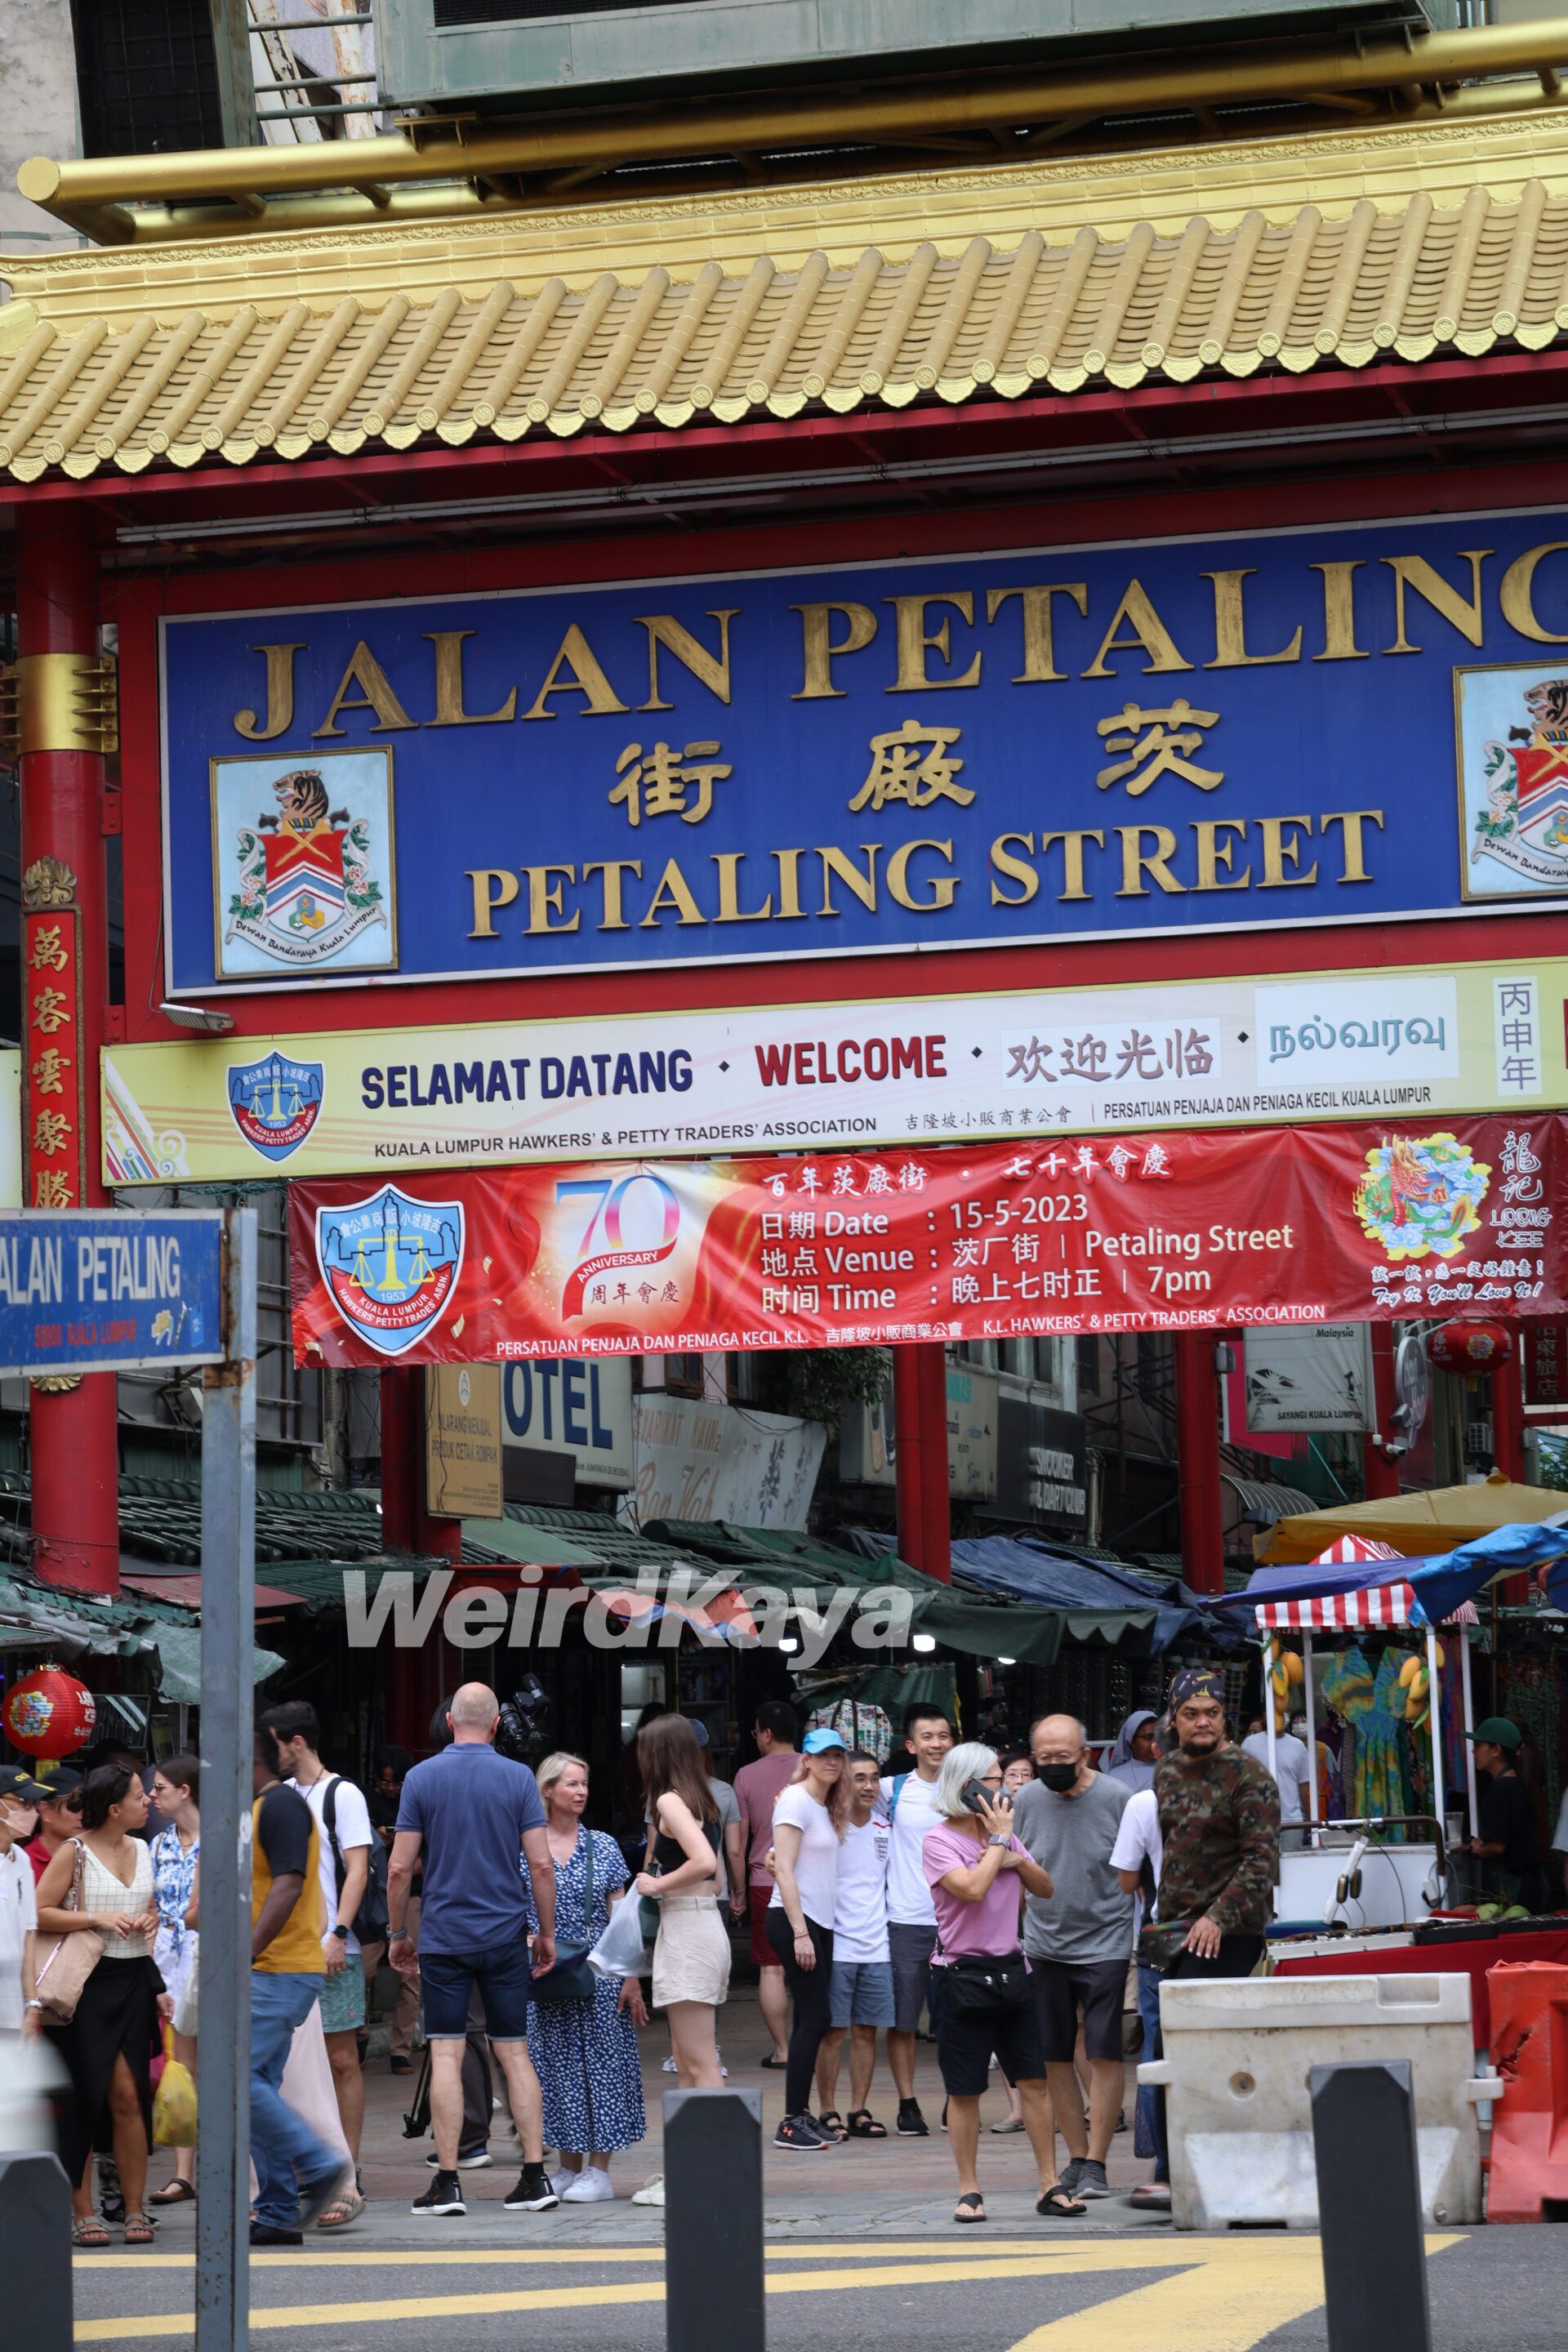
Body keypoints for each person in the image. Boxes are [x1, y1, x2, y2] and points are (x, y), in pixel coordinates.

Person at [389, 1682, 559, 2219]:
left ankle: (448, 2181)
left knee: (446, 2052)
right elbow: (541, 1865)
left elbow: (398, 1868)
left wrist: (397, 1934)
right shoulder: (517, 1779)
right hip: (506, 1936)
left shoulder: (421, 1778)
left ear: (448, 1720)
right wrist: (546, 1932)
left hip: (443, 1937)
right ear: (494, 1725)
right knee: (514, 2052)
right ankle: (535, 2177)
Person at [921, 1742, 1082, 2225]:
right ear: (968, 1786)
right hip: (959, 1977)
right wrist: (998, 1847)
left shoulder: (1004, 1835)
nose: (1005, 1788)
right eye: (995, 1781)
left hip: (1014, 1972)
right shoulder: (939, 1840)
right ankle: (969, 2190)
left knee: (1034, 2083)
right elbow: (970, 1890)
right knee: (965, 2090)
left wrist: (1014, 1855)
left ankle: (1049, 2184)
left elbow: (1046, 1887)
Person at [1146, 1668, 1281, 2212]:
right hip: (1176, 1934)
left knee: (1210, 2058)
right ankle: (1174, 2172)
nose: (1202, 1722)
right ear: (1174, 1720)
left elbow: (1262, 1859)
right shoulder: (1168, 1771)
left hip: (1229, 1935)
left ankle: (1214, 2175)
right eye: (1190, 1713)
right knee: (1166, 2058)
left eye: (1212, 1713)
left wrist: (1219, 1917)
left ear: (1225, 1717)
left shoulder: (1249, 1776)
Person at [36, 1763, 172, 2248]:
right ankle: (83, 2211)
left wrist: (150, 1918)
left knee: (130, 2095)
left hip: (134, 1980)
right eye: (140, 1796)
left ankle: (134, 2210)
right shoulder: (74, 1852)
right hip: (87, 1986)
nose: (148, 1802)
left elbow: (150, 1904)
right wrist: (96, 1917)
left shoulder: (143, 1847)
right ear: (115, 1809)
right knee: (85, 2099)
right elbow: (40, 1910)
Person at [1011, 1714, 1133, 2202]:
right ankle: (1077, 2157)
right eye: (1044, 1759)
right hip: (1044, 1944)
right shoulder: (1024, 1800)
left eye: (1064, 1757)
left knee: (1103, 2051)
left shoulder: (1117, 1799)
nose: (1054, 1766)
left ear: (1085, 1754)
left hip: (1106, 1940)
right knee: (1054, 2055)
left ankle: (1099, 2162)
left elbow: (1140, 1865)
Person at [265, 1700, 374, 2220]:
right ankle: (303, 2170)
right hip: (286, 1952)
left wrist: (338, 1932)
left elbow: (358, 1869)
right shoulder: (278, 1796)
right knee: (286, 2067)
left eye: (276, 1744)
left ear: (296, 1743)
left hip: (333, 1945)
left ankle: (347, 2173)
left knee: (341, 2059)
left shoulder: (342, 1793)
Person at [522, 1753, 647, 2204]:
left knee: (604, 2067)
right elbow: (517, 1911)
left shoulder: (604, 1845)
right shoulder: (525, 1847)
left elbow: (623, 1919)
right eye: (572, 1784)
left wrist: (630, 1977)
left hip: (601, 1969)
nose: (581, 1792)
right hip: (545, 1969)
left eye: (585, 1783)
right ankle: (566, 2166)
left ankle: (600, 2169)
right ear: (548, 1790)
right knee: (553, 2068)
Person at [249, 1726, 351, 2248]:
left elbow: (289, 1882)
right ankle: (278, 2210)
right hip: (275, 1967)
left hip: (279, 1968)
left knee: (237, 2081)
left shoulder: (280, 1807)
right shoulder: (267, 1808)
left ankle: (318, 2164)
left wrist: (248, 1949)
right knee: (256, 2083)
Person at [631, 1713, 729, 2206]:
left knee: (698, 2061)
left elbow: (706, 1865)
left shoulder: (670, 1800)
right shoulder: (702, 1798)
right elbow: (710, 1875)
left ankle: (711, 2172)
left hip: (688, 1926)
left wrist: (655, 1883)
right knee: (690, 2064)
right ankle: (687, 2170)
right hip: (697, 1923)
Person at [765, 1726, 849, 2151]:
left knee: (811, 2019)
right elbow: (783, 1868)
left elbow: (780, 1858)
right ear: (808, 1760)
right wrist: (801, 1932)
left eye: (839, 1755)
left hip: (819, 1921)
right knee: (816, 2018)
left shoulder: (824, 1803)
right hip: (796, 1920)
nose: (832, 1762)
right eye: (824, 1755)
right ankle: (790, 2121)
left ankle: (798, 2115)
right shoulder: (796, 1798)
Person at [880, 1703, 954, 2137]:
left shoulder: (967, 1790)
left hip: (957, 1921)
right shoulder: (890, 1789)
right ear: (911, 1745)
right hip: (906, 1919)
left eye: (943, 1736)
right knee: (904, 2019)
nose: (937, 1744)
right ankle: (908, 2104)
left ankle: (955, 2098)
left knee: (955, 2018)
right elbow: (838, 1802)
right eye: (927, 1737)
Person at [813, 1749, 893, 2141]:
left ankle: (858, 2109)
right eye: (859, 1777)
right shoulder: (829, 1829)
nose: (868, 1786)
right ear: (843, 1782)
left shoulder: (884, 1828)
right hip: (837, 1947)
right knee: (833, 2032)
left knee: (866, 2033)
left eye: (874, 1778)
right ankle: (827, 2110)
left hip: (877, 1947)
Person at [1109, 1775, 1166, 2212]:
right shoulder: (1239, 1785)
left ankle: (1163, 2167)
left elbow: (1127, 1881)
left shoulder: (1144, 1802)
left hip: (1162, 1939)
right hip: (1227, 1938)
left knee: (1157, 2052)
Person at [145, 1756, 200, 2207]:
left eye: (160, 1787)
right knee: (181, 2065)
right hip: (167, 1960)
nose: (151, 1795)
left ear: (185, 1790)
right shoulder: (159, 1844)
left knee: (222, 2064)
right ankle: (185, 2174)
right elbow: (149, 1904)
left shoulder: (222, 1841)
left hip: (209, 1957)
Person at [733, 1699, 800, 2069]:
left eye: (756, 1732)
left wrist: (738, 1893)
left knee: (772, 1967)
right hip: (811, 1880)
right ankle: (812, 2045)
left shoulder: (746, 1775)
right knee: (814, 1963)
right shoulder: (816, 1769)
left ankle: (783, 2051)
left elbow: (739, 1845)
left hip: (765, 1880)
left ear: (767, 1734)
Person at [363, 1745, 418, 2076]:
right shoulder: (364, 1802)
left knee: (409, 1975)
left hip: (410, 1894)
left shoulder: (415, 1800)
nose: (389, 1789)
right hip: (371, 1894)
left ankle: (401, 2049)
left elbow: (429, 1857)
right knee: (363, 1971)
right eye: (383, 1783)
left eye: (394, 1784)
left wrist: (399, 1857)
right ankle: (360, 2037)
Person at [1467, 1717, 1547, 1912]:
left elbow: (1497, 1847)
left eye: (1478, 1745)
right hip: (1528, 1886)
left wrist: (1478, 1849)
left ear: (1496, 1750)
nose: (1473, 1751)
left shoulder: (1500, 1790)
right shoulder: (1520, 1785)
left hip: (1513, 1889)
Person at [0, 1766, 47, 2040]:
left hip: (11, 2001)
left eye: (34, 1804)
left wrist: (31, 2006)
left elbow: (29, 1935)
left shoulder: (21, 1859)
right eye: (22, 1803)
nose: (32, 1812)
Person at [1241, 1716, 1312, 1833]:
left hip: (1292, 1822)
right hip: (1258, 1822)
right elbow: (1241, 1782)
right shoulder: (1250, 1744)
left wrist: (1310, 1820)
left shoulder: (1298, 1746)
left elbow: (1304, 1786)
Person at [24, 1768, 83, 1885]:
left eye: (87, 1806)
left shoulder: (97, 1857)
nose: (83, 1815)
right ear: (46, 1811)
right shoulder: (24, 1862)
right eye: (73, 1806)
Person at [1104, 1712, 1160, 1793]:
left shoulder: (1169, 1769)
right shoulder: (1115, 1776)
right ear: (1132, 1741)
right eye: (1148, 1737)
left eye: (1158, 1736)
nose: (1155, 1743)